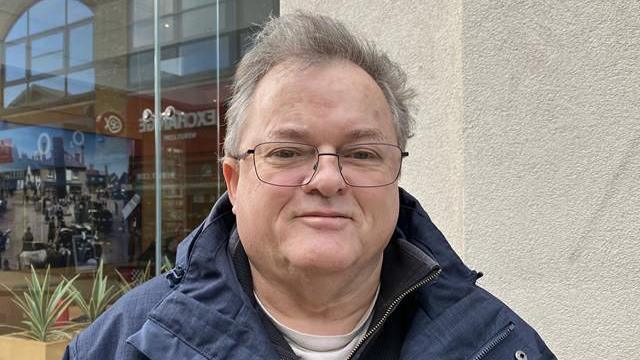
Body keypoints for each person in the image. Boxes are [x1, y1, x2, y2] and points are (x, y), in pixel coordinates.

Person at [64, 13, 556, 359]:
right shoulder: (118, 347)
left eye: (361, 154)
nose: (325, 179)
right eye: (286, 152)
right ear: (233, 182)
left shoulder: (499, 345)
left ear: (395, 176)